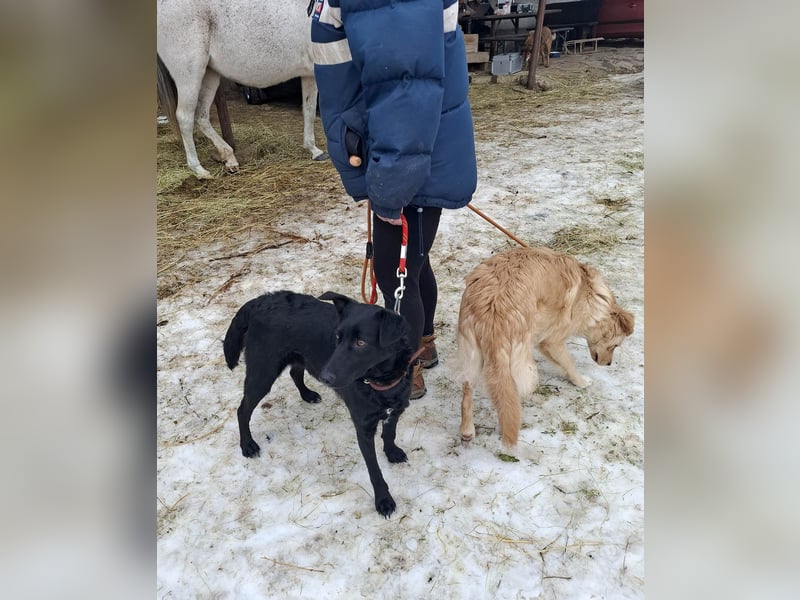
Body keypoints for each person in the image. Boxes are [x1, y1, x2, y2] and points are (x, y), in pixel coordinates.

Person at [311, 0, 478, 399]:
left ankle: (405, 371)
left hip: (408, 159)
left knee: (395, 277)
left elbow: (404, 87)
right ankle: (425, 343)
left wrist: (390, 189)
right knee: (414, 266)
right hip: (405, 154)